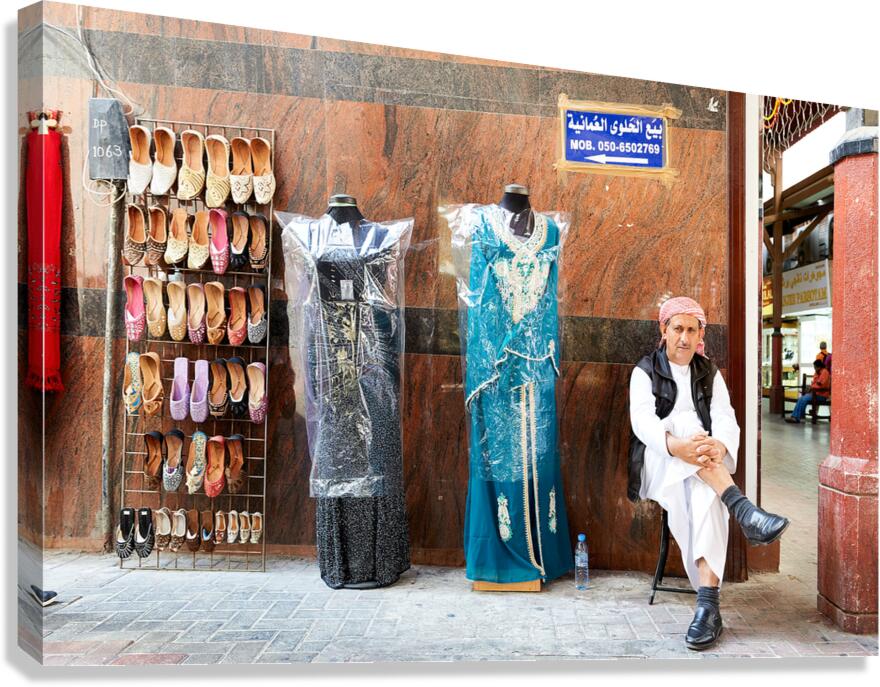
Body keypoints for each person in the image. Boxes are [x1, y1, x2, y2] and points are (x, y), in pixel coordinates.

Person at [628, 296, 790, 651]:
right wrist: (677, 445)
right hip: (660, 461)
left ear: (700, 332)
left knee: (706, 497)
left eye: (691, 329)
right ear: (664, 330)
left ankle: (707, 607)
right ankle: (743, 509)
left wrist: (717, 446)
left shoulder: (708, 371)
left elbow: (726, 419)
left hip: (701, 467)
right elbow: (642, 423)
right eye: (677, 329)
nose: (684, 338)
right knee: (686, 423)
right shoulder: (644, 370)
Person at [785, 358, 831, 424]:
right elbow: (814, 383)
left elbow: (821, 385)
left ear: (819, 367)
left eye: (815, 367)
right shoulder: (817, 372)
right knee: (801, 399)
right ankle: (794, 416)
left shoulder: (825, 372)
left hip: (821, 395)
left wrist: (811, 387)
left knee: (804, 399)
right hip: (815, 393)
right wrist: (810, 387)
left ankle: (797, 418)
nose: (814, 369)